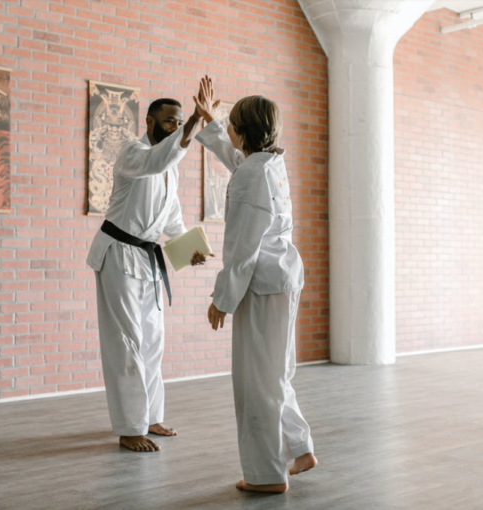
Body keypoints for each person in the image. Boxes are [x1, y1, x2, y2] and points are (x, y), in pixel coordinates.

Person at [193, 77, 317, 493]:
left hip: (261, 284)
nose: (227, 128)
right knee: (275, 372)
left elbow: (241, 247)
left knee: (255, 382)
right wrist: (211, 120)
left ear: (243, 131)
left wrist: (222, 300)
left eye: (231, 123)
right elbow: (236, 160)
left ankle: (267, 475)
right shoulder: (269, 163)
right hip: (282, 278)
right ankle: (299, 448)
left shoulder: (251, 175)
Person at [86, 84, 208, 453]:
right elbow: (159, 160)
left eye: (179, 122)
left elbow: (172, 220)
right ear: (150, 121)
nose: (174, 127)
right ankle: (129, 426)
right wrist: (194, 124)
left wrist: (191, 250)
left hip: (148, 260)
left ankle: (152, 416)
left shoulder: (171, 170)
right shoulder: (133, 152)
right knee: (126, 343)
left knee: (153, 341)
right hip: (118, 255)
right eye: (168, 121)